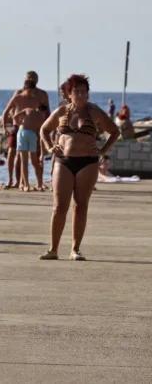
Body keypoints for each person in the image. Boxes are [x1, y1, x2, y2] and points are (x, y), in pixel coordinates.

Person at [39, 74, 120, 261]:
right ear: (69, 93)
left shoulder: (95, 112)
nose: (81, 95)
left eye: (84, 91)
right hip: (63, 161)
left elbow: (114, 131)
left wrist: (102, 150)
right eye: (77, 91)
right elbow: (44, 129)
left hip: (87, 163)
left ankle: (75, 249)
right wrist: (50, 148)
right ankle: (53, 249)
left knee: (80, 206)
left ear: (88, 94)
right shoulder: (61, 112)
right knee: (59, 206)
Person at [1, 71, 51, 189]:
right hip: (18, 127)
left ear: (37, 80)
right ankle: (14, 181)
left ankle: (38, 182)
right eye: (29, 78)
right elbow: (8, 111)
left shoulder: (41, 94)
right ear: (25, 79)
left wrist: (46, 128)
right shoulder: (18, 94)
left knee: (36, 156)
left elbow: (47, 112)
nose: (32, 79)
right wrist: (6, 125)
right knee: (13, 153)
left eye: (33, 78)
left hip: (35, 128)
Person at [13, 103, 46, 191]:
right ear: (44, 112)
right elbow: (41, 133)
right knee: (34, 161)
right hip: (32, 134)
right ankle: (39, 184)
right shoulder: (42, 119)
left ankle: (26, 185)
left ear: (36, 108)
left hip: (23, 132)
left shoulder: (29, 109)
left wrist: (20, 124)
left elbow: (15, 117)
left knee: (24, 161)